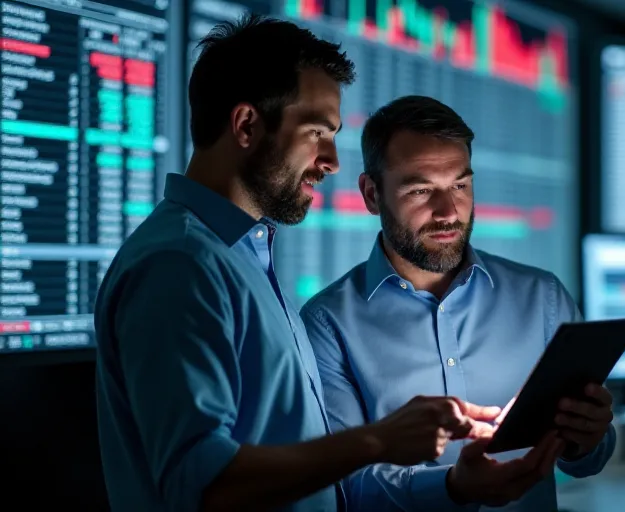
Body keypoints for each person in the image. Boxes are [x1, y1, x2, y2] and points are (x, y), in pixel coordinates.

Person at [94, 16, 499, 512]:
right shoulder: (180, 265)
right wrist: (378, 441)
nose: (331, 160)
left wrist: (451, 483)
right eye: (316, 133)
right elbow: (200, 485)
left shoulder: (243, 256)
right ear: (246, 125)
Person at [300, 95, 617, 511]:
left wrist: (585, 440)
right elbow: (343, 486)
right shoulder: (326, 324)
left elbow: (590, 459)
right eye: (421, 190)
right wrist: (453, 488)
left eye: (460, 186)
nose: (449, 211)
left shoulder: (544, 298)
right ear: (372, 194)